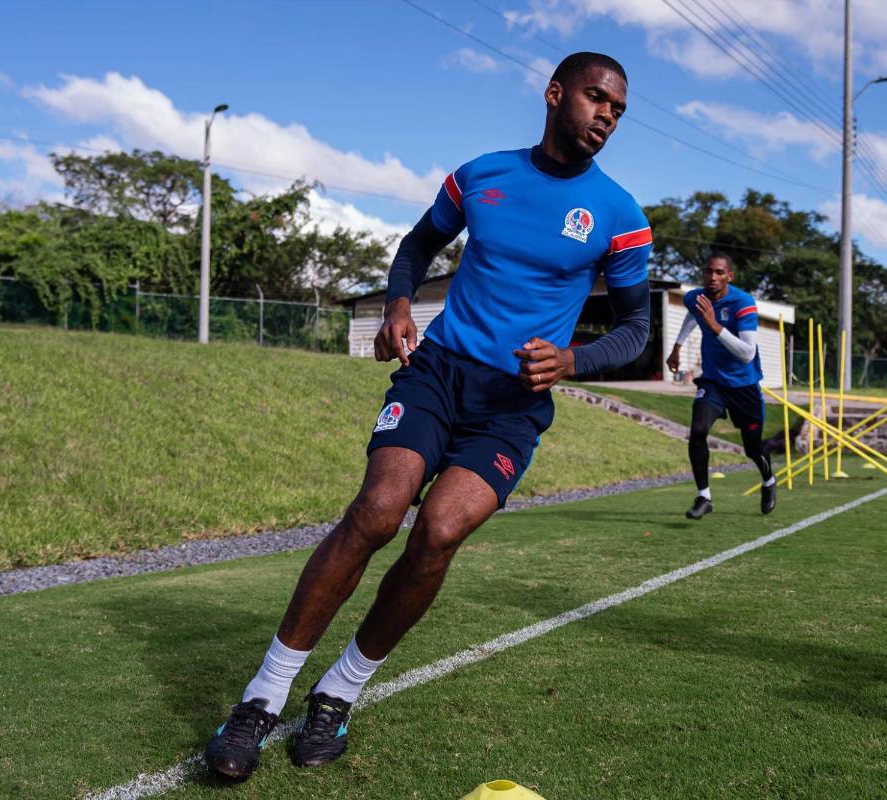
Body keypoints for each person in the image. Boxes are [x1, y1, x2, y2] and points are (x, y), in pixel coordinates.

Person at [203, 51, 654, 778]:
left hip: (512, 406)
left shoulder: (621, 216)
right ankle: (261, 699)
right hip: (438, 373)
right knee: (379, 510)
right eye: (597, 98)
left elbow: (636, 330)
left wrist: (574, 360)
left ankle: (338, 694)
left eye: (618, 109)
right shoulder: (481, 175)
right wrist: (398, 305)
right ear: (555, 94)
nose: (606, 115)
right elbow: (417, 246)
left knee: (439, 530)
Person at [665, 253, 775, 519]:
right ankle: (704, 496)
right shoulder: (696, 297)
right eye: (708, 272)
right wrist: (677, 346)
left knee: (752, 448)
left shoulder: (743, 303)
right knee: (698, 430)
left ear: (729, 276)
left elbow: (747, 353)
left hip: (744, 386)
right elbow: (693, 315)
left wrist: (715, 327)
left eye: (719, 272)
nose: (712, 277)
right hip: (713, 381)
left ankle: (768, 480)